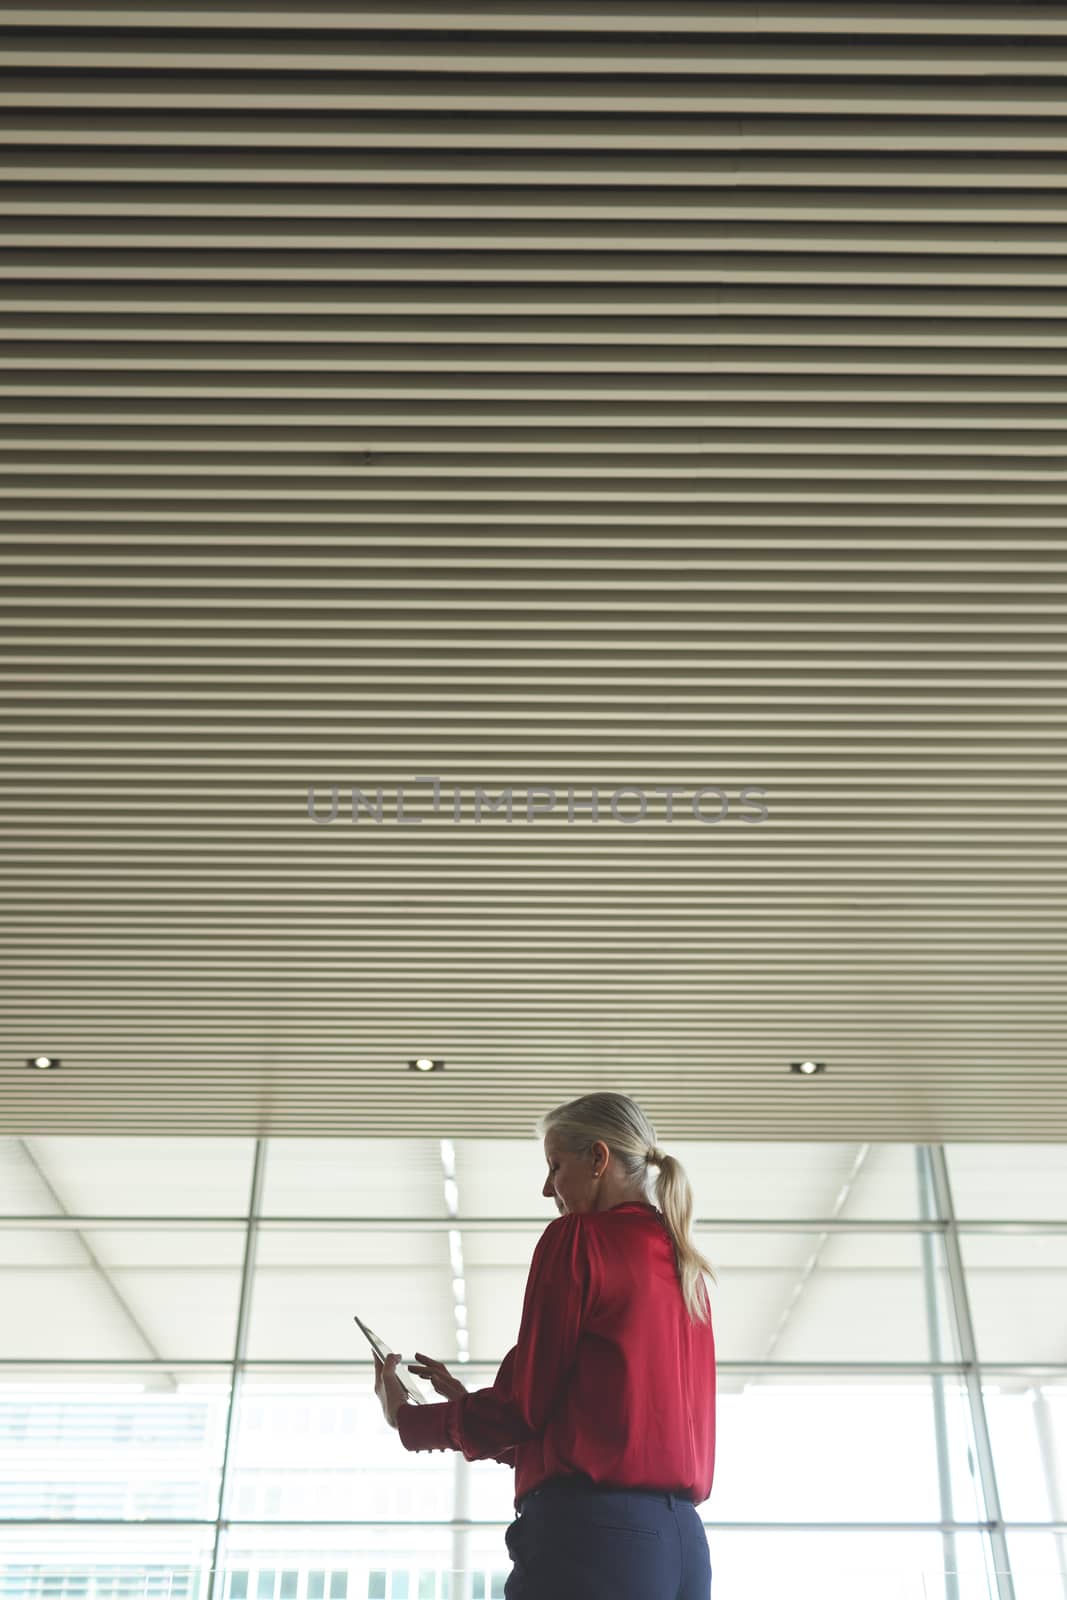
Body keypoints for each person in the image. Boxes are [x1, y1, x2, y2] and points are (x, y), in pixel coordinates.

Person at [373, 1091, 717, 1599]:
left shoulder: (578, 1238)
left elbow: (523, 1410)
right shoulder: (684, 1266)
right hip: (681, 1546)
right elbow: (600, 1424)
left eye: (555, 1166)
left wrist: (406, 1418)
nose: (546, 1188)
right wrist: (467, 1404)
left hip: (592, 1537)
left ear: (598, 1159)